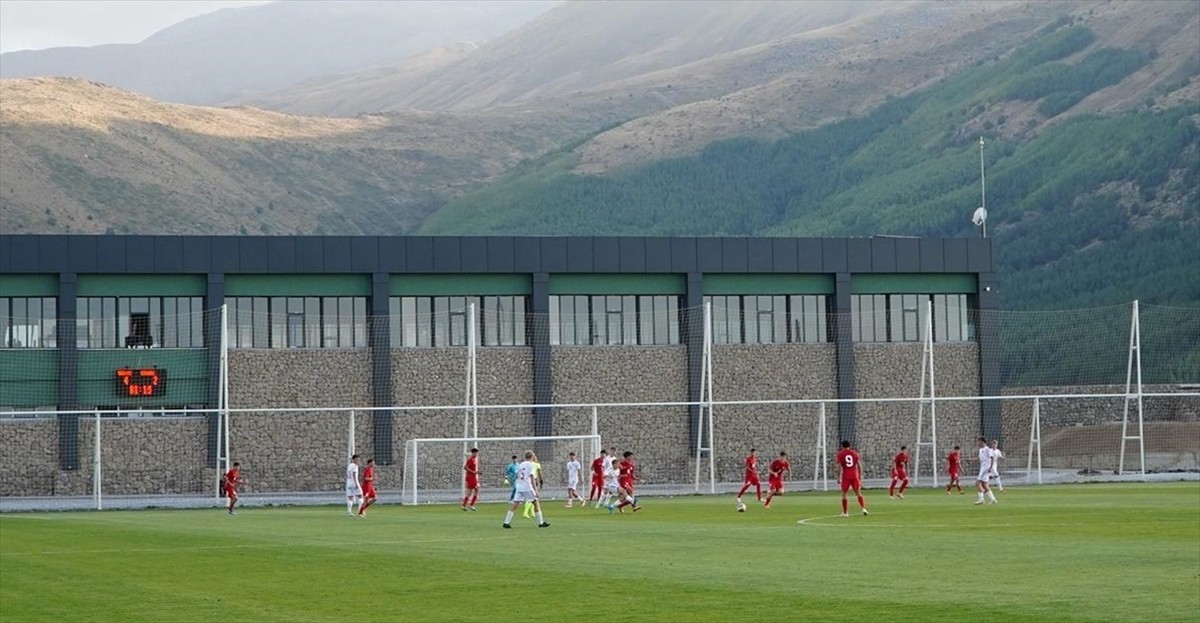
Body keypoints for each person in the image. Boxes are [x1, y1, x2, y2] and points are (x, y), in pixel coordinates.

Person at [503, 451, 550, 529]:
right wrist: (535, 490)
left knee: (515, 504)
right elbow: (532, 477)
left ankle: (506, 522)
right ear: (532, 456)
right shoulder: (531, 465)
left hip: (519, 486)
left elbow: (517, 474)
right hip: (527, 487)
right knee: (536, 502)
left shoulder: (521, 464)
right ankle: (541, 523)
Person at [835, 440, 868, 517]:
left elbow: (839, 467)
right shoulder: (854, 453)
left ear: (842, 446)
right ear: (849, 446)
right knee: (858, 492)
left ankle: (845, 513)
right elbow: (859, 465)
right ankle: (863, 508)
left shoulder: (840, 454)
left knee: (844, 494)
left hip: (846, 475)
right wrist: (860, 475)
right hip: (854, 475)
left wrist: (838, 477)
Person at [974, 437, 997, 506]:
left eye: (978, 441)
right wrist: (973, 460)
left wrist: (990, 467)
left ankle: (981, 499)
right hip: (982, 467)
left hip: (985, 468)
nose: (977, 443)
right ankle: (993, 499)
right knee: (984, 484)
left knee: (977, 483)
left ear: (982, 442)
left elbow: (992, 458)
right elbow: (980, 457)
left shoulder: (987, 449)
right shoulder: (981, 449)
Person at [462, 447, 480, 511]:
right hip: (471, 477)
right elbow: (465, 467)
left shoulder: (474, 459)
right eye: (476, 453)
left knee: (473, 491)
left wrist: (476, 472)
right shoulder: (470, 459)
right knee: (473, 491)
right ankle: (470, 505)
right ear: (473, 453)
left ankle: (465, 505)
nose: (477, 454)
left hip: (473, 477)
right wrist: (474, 472)